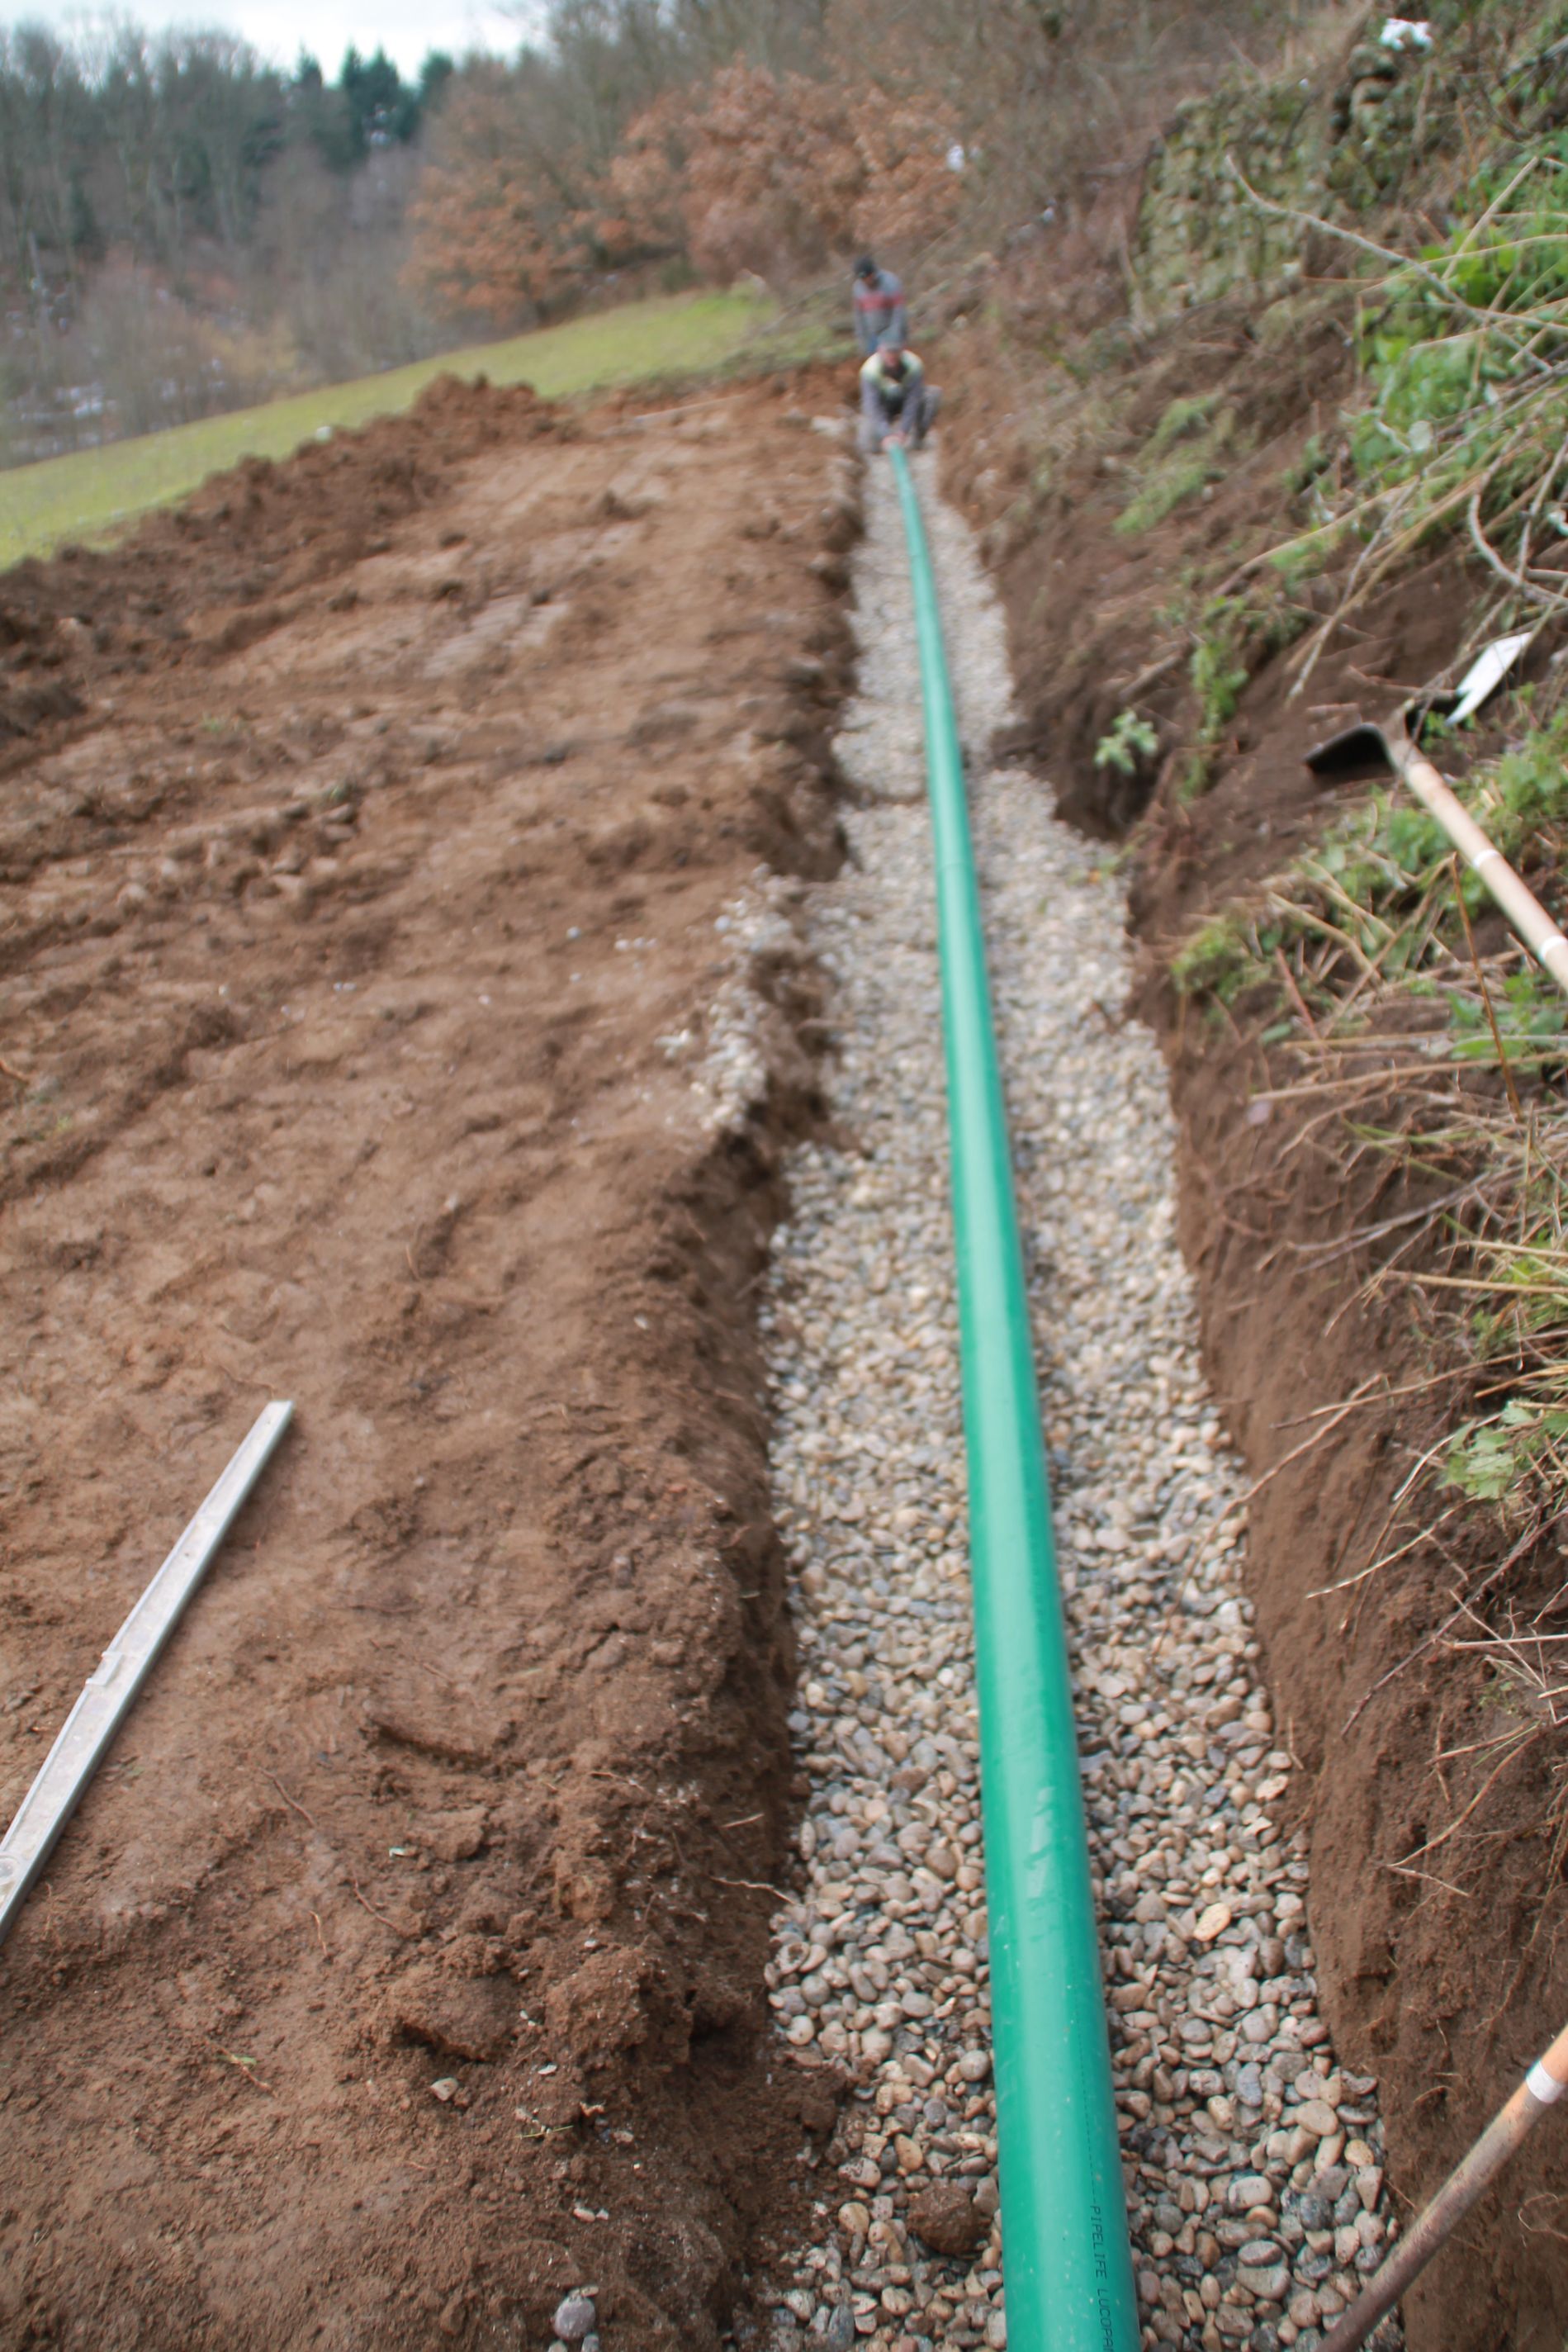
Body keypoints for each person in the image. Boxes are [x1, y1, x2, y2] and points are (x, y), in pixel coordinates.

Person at [859, 338, 940, 455]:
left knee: (933, 395)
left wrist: (903, 431)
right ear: (880, 351)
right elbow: (872, 406)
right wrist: (886, 434)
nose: (892, 356)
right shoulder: (870, 370)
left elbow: (913, 400)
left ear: (902, 351)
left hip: (904, 400)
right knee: (869, 445)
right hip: (884, 404)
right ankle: (878, 439)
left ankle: (919, 437)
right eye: (888, 353)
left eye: (895, 352)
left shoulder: (914, 365)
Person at [852, 254, 907, 357]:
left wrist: (896, 336)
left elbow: (899, 312)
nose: (866, 282)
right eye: (862, 279)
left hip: (890, 333)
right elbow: (859, 317)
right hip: (872, 336)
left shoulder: (891, 282)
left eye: (867, 277)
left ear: (873, 273)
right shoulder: (857, 288)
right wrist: (862, 341)